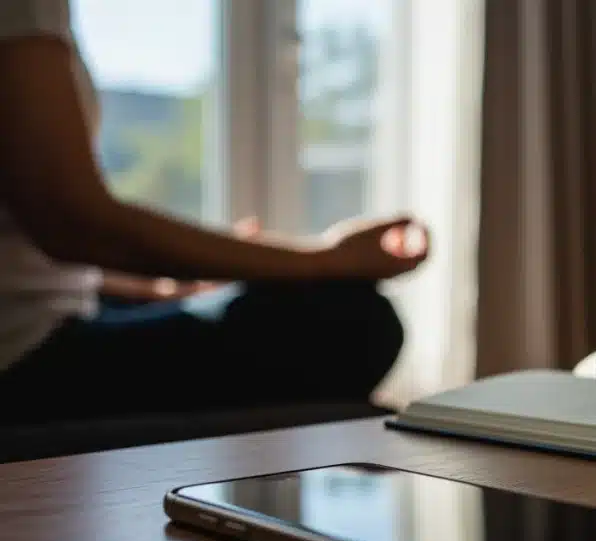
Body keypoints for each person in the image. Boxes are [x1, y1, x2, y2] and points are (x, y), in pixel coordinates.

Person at [0, 1, 429, 424]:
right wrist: (330, 259)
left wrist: (165, 288)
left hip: (44, 317)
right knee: (351, 323)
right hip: (21, 356)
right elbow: (73, 223)